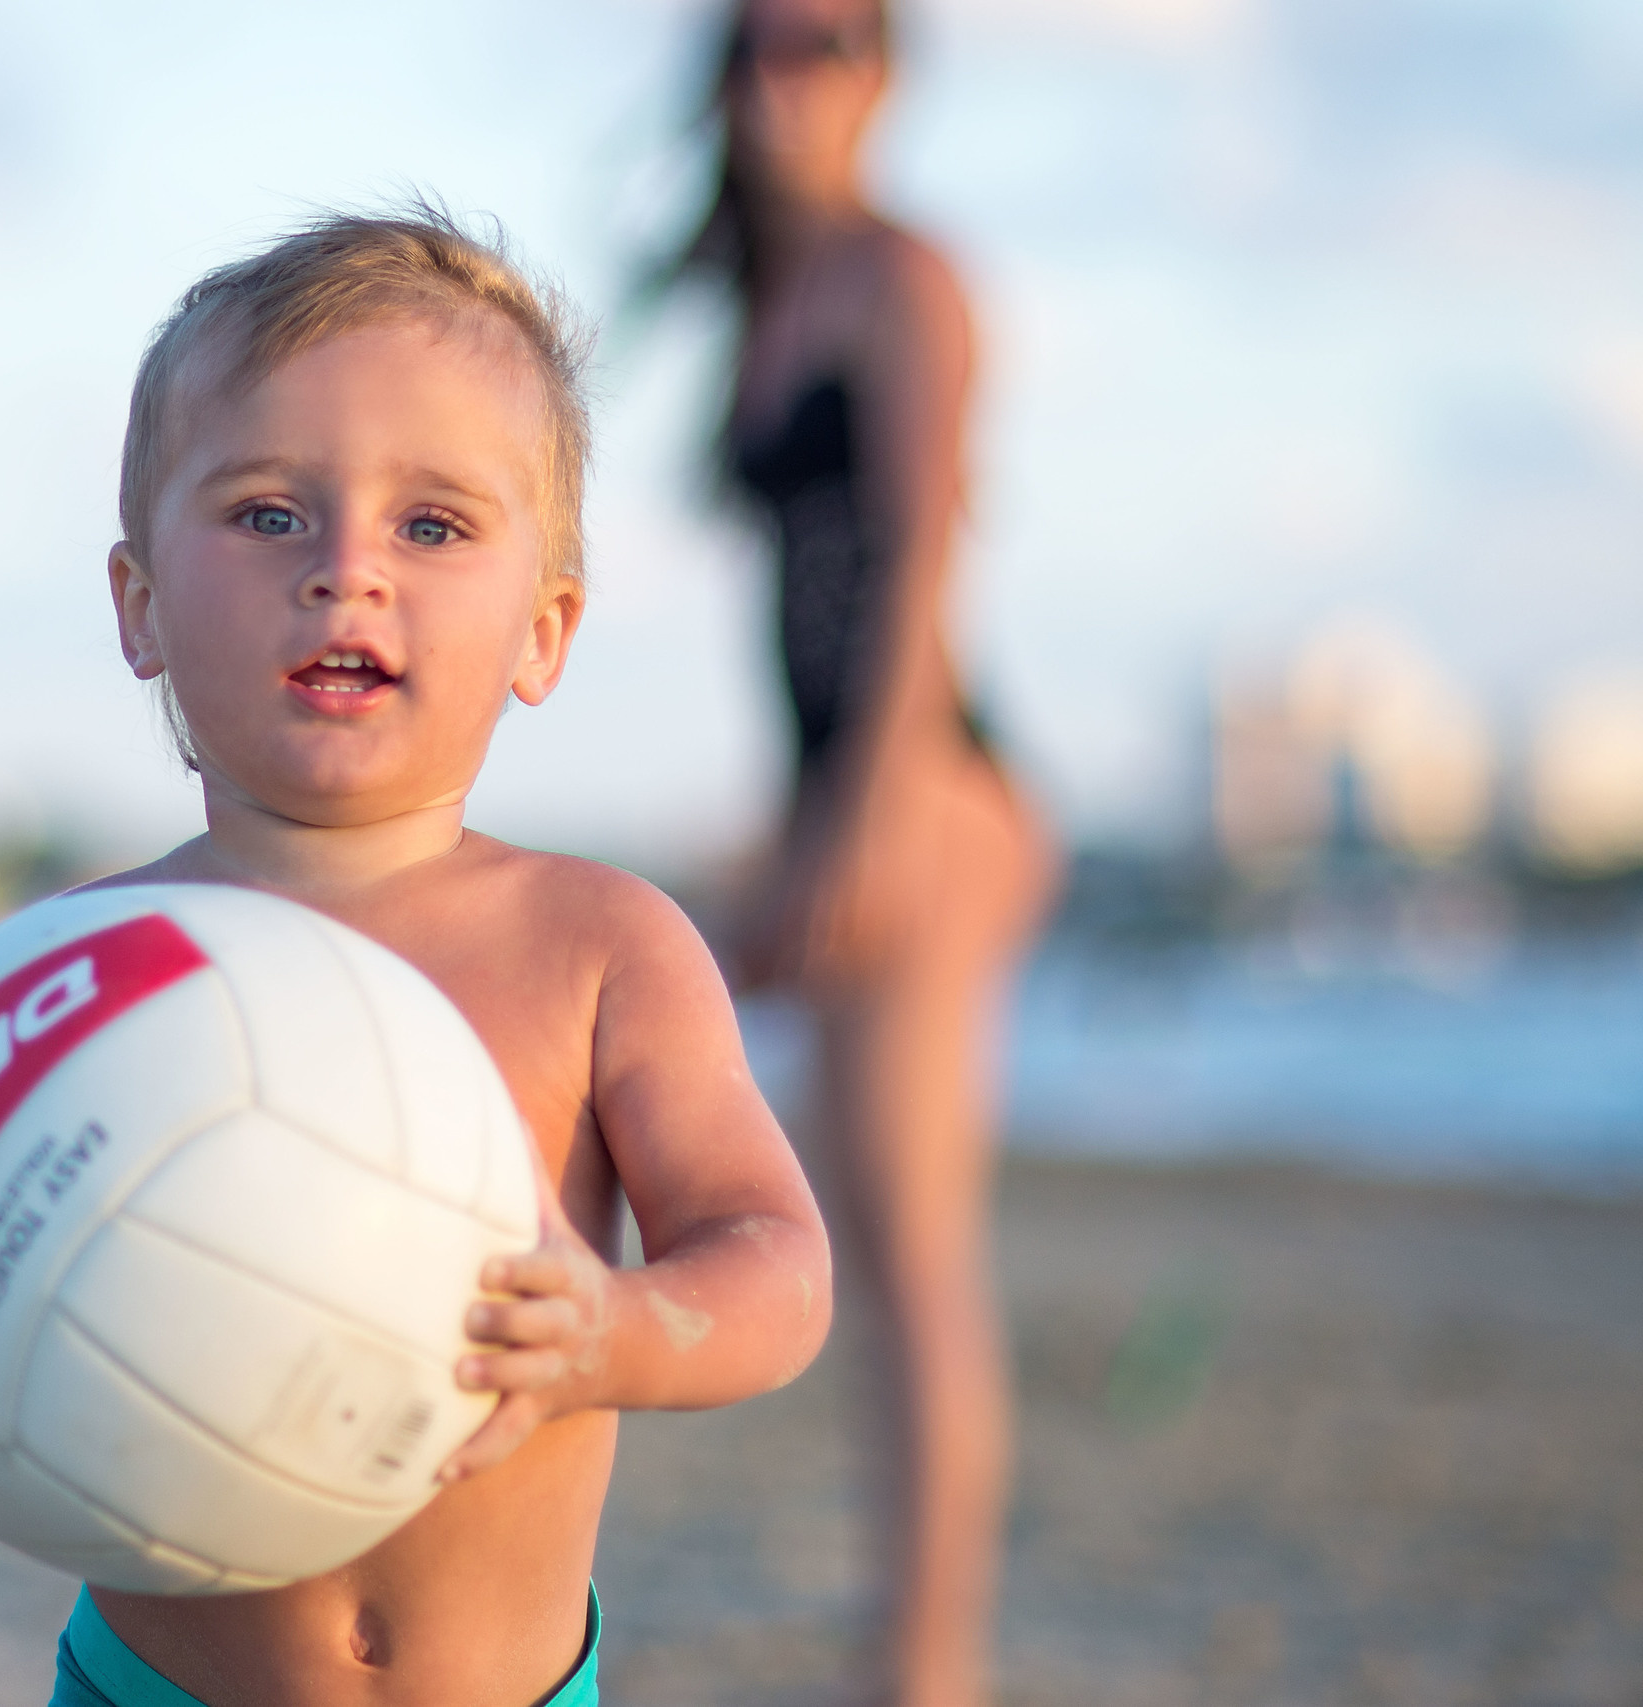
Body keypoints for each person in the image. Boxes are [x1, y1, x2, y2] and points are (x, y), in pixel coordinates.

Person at [0, 209, 837, 1707]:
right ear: (141, 608)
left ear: (545, 629)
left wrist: (612, 1333)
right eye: (267, 515)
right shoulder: (91, 970)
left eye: (431, 526)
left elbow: (777, 1267)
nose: (346, 571)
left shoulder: (595, 943)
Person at [677, 4, 1059, 1703]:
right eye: (760, 47)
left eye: (828, 45)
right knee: (849, 1237)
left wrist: (863, 815)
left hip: (932, 793)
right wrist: (795, 811)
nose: (789, 82)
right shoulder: (772, 285)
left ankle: (925, 1674)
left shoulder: (911, 278)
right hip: (837, 784)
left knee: (911, 1262)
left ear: (886, 77)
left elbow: (915, 555)